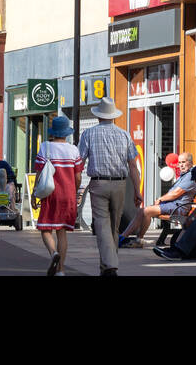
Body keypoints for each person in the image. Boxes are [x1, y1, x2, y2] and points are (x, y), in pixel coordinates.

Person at [77, 96, 142, 276]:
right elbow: (133, 166)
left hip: (98, 183)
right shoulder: (124, 134)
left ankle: (110, 264)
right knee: (113, 226)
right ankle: (107, 267)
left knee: (102, 224)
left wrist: (77, 185)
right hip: (121, 183)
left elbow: (79, 163)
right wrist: (137, 191)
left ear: (98, 116)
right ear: (113, 116)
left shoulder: (88, 134)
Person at [33, 115, 83, 276]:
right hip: (68, 195)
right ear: (66, 133)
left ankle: (53, 253)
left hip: (50, 195)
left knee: (45, 229)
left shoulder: (45, 147)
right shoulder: (74, 150)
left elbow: (39, 172)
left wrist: (35, 193)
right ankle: (60, 270)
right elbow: (78, 176)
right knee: (62, 232)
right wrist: (75, 193)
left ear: (53, 132)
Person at [119, 150, 196, 247]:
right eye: (179, 162)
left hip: (179, 207)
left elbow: (176, 193)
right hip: (173, 204)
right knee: (143, 212)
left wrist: (160, 199)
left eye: (183, 162)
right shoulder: (184, 175)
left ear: (191, 162)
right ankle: (136, 239)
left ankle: (123, 238)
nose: (181, 165)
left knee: (145, 211)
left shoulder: (191, 176)